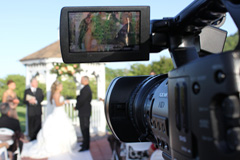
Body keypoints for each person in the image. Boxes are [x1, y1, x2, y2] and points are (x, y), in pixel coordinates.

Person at [21, 80, 77, 159]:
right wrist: (65, 102)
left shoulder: (54, 93)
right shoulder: (56, 94)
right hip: (58, 112)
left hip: (59, 112)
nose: (62, 87)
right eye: (61, 86)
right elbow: (57, 104)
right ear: (57, 87)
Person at [75, 76, 92, 152]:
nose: (80, 80)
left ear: (85, 80)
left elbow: (81, 100)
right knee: (84, 128)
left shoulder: (86, 89)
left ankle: (86, 146)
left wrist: (76, 107)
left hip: (84, 112)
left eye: (81, 79)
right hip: (84, 111)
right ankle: (85, 143)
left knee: (85, 128)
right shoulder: (85, 89)